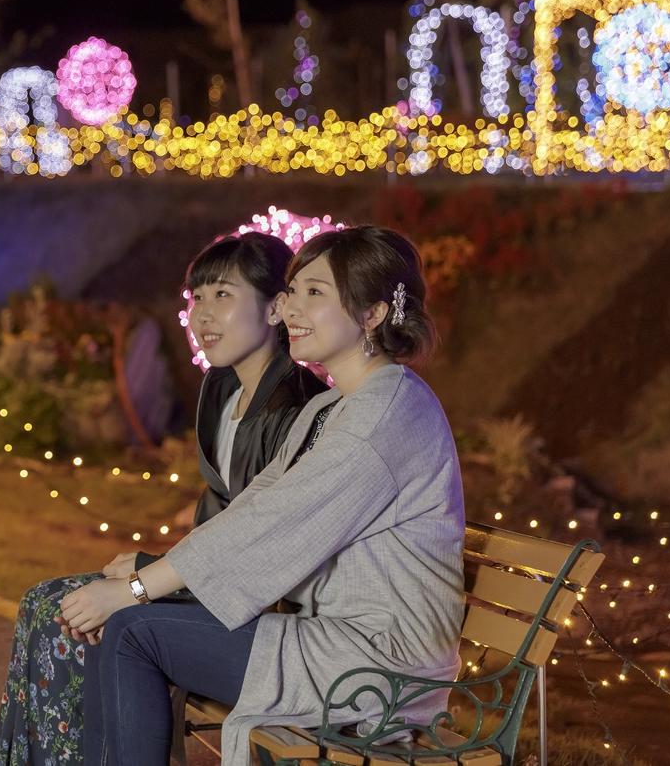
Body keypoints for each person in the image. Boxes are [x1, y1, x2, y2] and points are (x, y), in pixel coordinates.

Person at [60, 225, 466, 766]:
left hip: (378, 667)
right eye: (293, 290)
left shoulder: (385, 414)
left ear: (371, 315)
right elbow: (255, 506)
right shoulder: (334, 407)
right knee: (131, 624)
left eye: (314, 293)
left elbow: (274, 523)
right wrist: (156, 572)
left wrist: (137, 589)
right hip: (329, 640)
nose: (291, 306)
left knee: (136, 631)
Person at [0, 232, 327, 765]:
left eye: (223, 295)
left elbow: (263, 546)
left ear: (273, 309)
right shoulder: (222, 390)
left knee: (80, 619)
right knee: (42, 603)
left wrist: (148, 579)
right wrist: (157, 574)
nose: (202, 315)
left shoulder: (295, 406)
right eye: (197, 298)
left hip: (259, 604)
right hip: (211, 582)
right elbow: (219, 516)